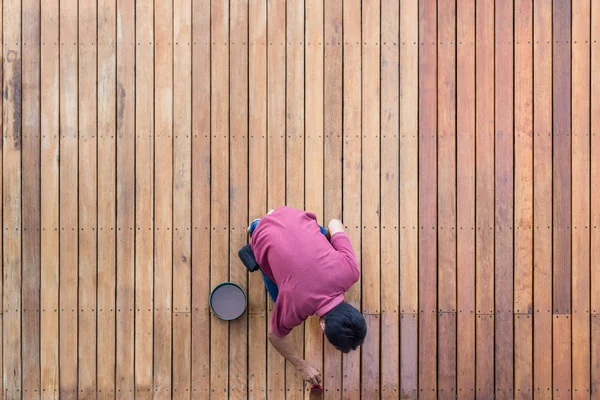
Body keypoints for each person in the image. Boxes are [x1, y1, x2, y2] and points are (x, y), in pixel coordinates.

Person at [247, 206, 367, 386]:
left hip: (289, 213)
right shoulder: (294, 305)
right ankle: (256, 227)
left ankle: (270, 220)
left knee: (324, 237)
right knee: (278, 296)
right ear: (323, 325)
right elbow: (274, 335)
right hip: (262, 233)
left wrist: (325, 246)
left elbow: (334, 223)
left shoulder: (351, 272)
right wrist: (302, 366)